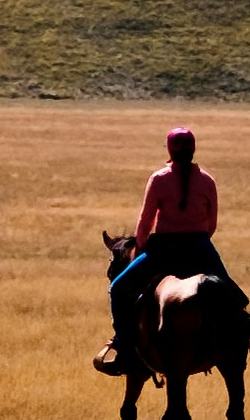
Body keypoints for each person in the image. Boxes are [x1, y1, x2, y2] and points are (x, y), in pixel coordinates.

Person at [96, 125, 226, 372]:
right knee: (234, 296)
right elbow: (212, 224)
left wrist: (142, 247)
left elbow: (145, 223)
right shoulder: (207, 180)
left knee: (118, 288)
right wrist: (197, 242)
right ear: (193, 149)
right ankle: (237, 338)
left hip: (164, 249)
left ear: (169, 150)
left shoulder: (159, 179)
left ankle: (123, 345)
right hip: (200, 246)